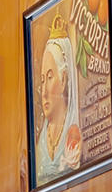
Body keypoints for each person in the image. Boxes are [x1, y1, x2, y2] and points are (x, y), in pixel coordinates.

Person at [35, 33, 84, 184]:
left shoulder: (74, 133)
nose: (44, 93)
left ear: (63, 80)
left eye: (50, 78)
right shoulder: (40, 142)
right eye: (42, 81)